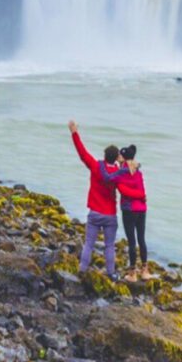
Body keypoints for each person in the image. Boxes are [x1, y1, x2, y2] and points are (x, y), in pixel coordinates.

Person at [68, 120, 121, 280]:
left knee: (89, 243)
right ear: (116, 158)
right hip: (110, 215)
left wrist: (74, 132)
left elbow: (82, 152)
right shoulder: (119, 173)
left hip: (95, 213)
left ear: (104, 156)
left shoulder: (96, 166)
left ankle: (82, 269)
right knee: (109, 245)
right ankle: (111, 273)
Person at [101, 145, 149, 281]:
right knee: (141, 239)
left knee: (132, 241)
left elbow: (123, 190)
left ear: (123, 158)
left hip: (129, 210)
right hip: (142, 209)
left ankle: (133, 273)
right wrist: (140, 196)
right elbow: (142, 191)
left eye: (120, 156)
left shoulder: (121, 173)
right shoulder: (138, 172)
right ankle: (145, 271)